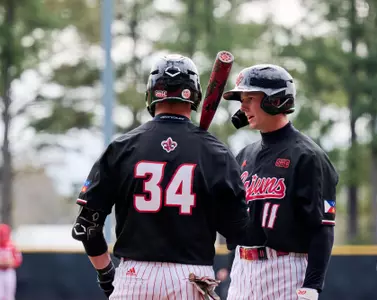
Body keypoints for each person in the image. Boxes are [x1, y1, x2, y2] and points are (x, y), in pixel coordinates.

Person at [71, 54, 251, 299]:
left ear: (151, 93)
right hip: (192, 279)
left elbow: (86, 226)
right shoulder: (216, 152)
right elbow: (238, 230)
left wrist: (106, 275)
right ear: (195, 94)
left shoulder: (122, 148)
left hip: (134, 277)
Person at [222, 64, 339, 300]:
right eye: (242, 100)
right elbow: (238, 224)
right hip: (243, 268)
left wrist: (312, 286)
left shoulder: (308, 156)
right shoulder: (243, 155)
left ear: (274, 101)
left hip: (285, 269)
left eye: (250, 98)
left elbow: (322, 228)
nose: (243, 107)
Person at [0, 224, 22, 300]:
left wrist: (10, 263)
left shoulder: (12, 246)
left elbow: (18, 260)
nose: (3, 236)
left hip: (9, 272)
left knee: (9, 296)